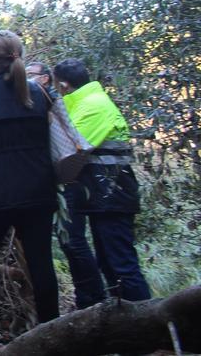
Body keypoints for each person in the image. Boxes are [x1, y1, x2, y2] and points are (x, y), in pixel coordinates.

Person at [0, 31, 59, 343]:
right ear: (18, 57)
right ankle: (51, 330)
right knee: (41, 259)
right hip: (38, 191)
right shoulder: (37, 93)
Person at [52, 58, 151, 307]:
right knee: (110, 261)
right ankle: (124, 325)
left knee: (120, 262)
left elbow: (73, 148)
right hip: (104, 195)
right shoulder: (85, 102)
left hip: (113, 193)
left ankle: (145, 327)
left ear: (63, 84)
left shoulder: (93, 106)